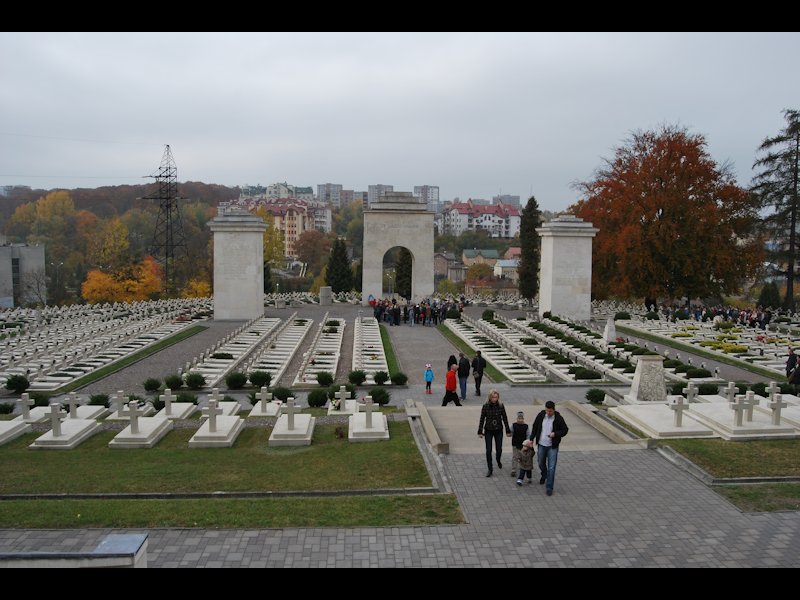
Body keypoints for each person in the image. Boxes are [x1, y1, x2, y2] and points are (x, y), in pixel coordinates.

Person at [529, 400, 569, 496]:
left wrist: (555, 434)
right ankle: (544, 474)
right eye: (547, 411)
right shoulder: (541, 415)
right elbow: (535, 427)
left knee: (551, 467)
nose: (548, 413)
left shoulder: (559, 418)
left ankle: (549, 487)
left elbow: (565, 430)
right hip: (541, 444)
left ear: (554, 410)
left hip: (552, 446)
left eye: (550, 411)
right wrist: (531, 439)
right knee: (540, 463)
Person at [477, 389, 511, 477]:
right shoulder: (485, 406)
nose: (494, 399)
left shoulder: (500, 405)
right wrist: (480, 431)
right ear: (490, 397)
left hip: (498, 430)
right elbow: (482, 419)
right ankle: (490, 469)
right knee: (488, 450)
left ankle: (498, 460)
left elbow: (505, 418)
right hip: (488, 430)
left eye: (496, 397)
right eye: (493, 397)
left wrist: (507, 430)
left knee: (499, 449)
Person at [510, 410, 528, 478]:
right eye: (519, 418)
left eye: (521, 418)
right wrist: (509, 433)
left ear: (523, 419)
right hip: (515, 444)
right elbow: (510, 432)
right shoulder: (514, 425)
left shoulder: (526, 426)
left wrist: (527, 442)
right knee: (515, 457)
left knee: (522, 457)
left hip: (523, 445)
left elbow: (528, 434)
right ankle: (513, 470)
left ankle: (522, 468)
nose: (520, 420)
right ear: (517, 418)